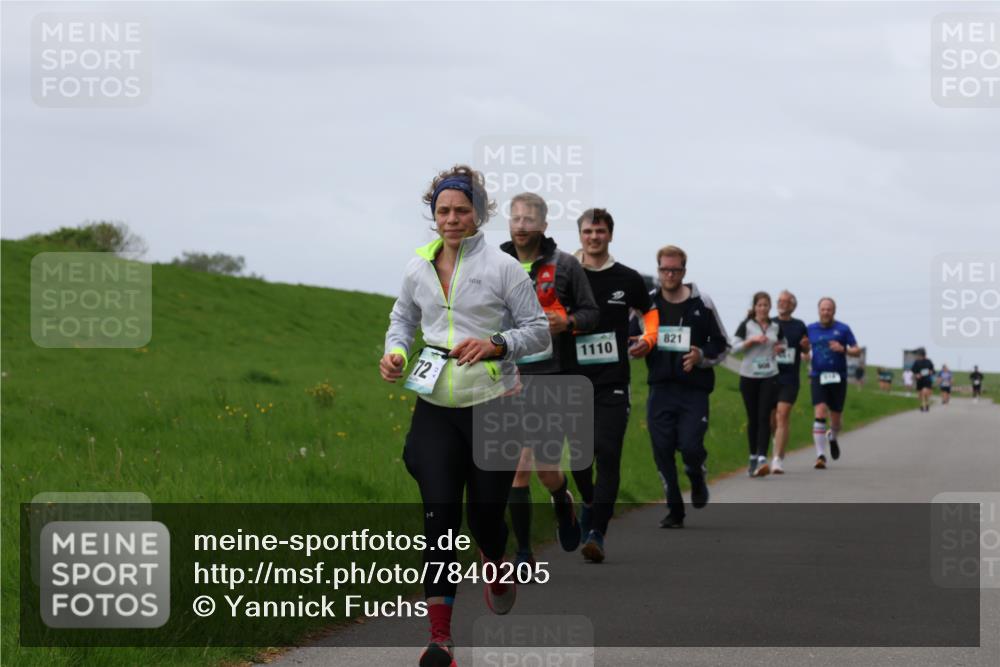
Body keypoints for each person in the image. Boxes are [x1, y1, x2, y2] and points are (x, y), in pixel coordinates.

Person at [380, 165, 550, 667]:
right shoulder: (417, 267)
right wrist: (393, 353)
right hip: (434, 406)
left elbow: (538, 332)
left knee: (485, 519)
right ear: (432, 215)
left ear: (478, 213)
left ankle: (495, 563)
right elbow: (403, 319)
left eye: (460, 210)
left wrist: (497, 344)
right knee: (439, 520)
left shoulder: (503, 269)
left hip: (491, 407)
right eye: (442, 211)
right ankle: (440, 640)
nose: (451, 219)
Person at [500, 192, 600, 567]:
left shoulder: (565, 266)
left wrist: (569, 322)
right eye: (515, 218)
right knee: (518, 465)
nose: (521, 225)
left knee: (544, 469)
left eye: (529, 220)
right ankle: (524, 553)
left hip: (550, 377)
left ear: (542, 225)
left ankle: (562, 501)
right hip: (508, 376)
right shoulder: (496, 263)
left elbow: (592, 312)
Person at [571, 208, 658, 562]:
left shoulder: (628, 278)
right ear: (580, 235)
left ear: (610, 235)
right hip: (571, 380)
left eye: (601, 231)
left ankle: (597, 533)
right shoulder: (565, 274)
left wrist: (648, 339)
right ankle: (589, 504)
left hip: (613, 380)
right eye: (589, 231)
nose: (594, 237)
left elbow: (649, 312)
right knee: (578, 460)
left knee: (608, 453)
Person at [642, 245, 729, 528]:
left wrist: (701, 356)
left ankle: (696, 474)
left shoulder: (702, 303)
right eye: (664, 269)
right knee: (662, 449)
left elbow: (722, 344)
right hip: (660, 389)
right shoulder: (648, 304)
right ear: (658, 270)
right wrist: (640, 346)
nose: (669, 274)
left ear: (684, 271)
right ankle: (674, 510)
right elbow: (633, 336)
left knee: (690, 446)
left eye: (675, 270)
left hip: (694, 390)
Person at [731, 292, 786, 477]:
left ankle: (763, 458)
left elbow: (784, 344)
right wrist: (751, 340)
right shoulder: (746, 325)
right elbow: (734, 348)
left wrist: (780, 348)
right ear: (754, 307)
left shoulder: (775, 327)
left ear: (770, 308)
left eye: (766, 305)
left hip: (769, 375)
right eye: (760, 305)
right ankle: (753, 456)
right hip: (748, 376)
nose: (763, 308)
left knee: (764, 416)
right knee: (753, 418)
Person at [807, 297, 862, 469]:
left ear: (834, 311)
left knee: (836, 419)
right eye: (823, 309)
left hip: (839, 377)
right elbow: (803, 347)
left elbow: (857, 350)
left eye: (829, 309)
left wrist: (843, 349)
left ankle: (833, 437)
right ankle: (820, 455)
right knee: (820, 410)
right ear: (818, 310)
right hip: (818, 376)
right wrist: (803, 353)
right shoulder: (810, 329)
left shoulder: (843, 329)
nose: (825, 312)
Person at [770, 290, 809, 474]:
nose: (782, 303)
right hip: (769, 376)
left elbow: (806, 350)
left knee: (782, 415)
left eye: (786, 301)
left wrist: (806, 347)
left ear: (793, 305)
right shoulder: (770, 323)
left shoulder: (800, 325)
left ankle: (777, 459)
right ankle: (777, 441)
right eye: (780, 301)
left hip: (790, 378)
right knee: (771, 420)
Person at [911, 348, 935, 413]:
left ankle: (926, 405)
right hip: (919, 380)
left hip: (927, 380)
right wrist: (916, 375)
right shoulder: (916, 362)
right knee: (920, 394)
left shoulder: (928, 361)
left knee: (925, 392)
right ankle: (921, 405)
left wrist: (931, 372)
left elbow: (933, 370)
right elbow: (913, 370)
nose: (920, 356)